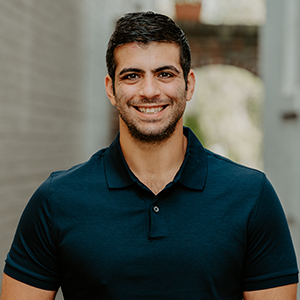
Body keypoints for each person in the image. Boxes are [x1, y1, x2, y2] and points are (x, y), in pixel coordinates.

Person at [0, 11, 298, 300]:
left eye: (165, 74)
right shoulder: (56, 200)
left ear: (189, 84)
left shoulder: (251, 196)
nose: (149, 90)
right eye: (132, 75)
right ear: (111, 89)